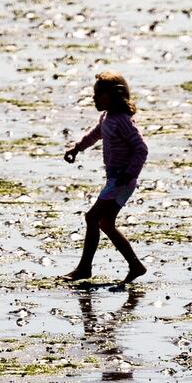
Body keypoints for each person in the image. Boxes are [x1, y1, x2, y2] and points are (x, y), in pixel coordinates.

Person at [62, 71, 148, 284]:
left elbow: (141, 149)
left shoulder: (122, 121)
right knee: (106, 224)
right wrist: (78, 147)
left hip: (122, 179)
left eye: (99, 94)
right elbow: (95, 134)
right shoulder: (107, 118)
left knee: (92, 218)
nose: (94, 98)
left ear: (115, 96)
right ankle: (135, 265)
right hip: (115, 179)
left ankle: (84, 268)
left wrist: (129, 174)